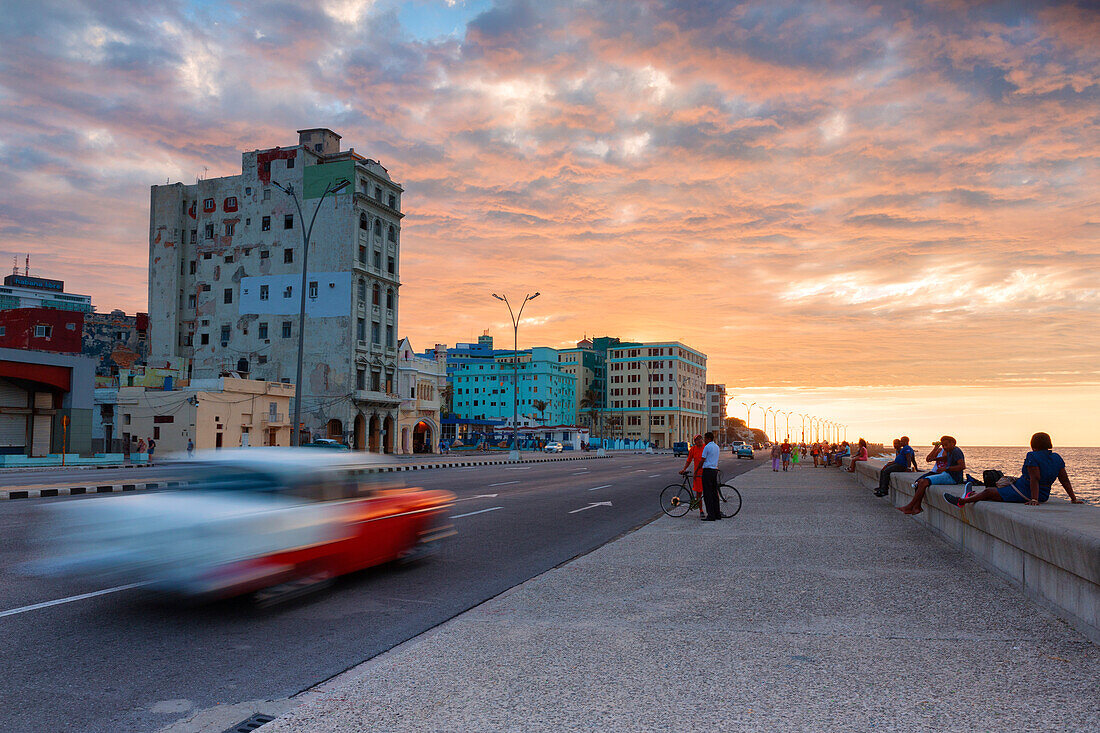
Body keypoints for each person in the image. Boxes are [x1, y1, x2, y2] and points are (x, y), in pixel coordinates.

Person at [946, 432, 1081, 508]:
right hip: (1043, 494)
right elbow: (1064, 479)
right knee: (996, 488)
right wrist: (1073, 498)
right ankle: (972, 495)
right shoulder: (1057, 457)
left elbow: (1035, 478)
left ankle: (961, 502)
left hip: (1026, 492)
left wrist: (1034, 499)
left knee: (988, 491)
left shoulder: (1032, 456)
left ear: (1033, 444)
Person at [898, 436, 964, 515]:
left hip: (953, 477)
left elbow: (962, 466)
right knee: (920, 482)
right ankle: (916, 507)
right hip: (947, 474)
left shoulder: (956, 451)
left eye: (946, 445)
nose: (944, 447)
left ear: (953, 443)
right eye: (943, 445)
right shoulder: (950, 451)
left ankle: (911, 506)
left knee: (923, 482)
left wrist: (946, 468)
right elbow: (929, 459)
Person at [679, 435, 706, 519]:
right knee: (698, 493)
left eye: (700, 439)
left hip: (706, 473)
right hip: (697, 474)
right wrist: (684, 469)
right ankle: (701, 510)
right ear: (694, 442)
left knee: (709, 492)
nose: (699, 441)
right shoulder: (693, 449)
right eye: (697, 440)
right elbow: (689, 460)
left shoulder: (706, 447)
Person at [700, 432, 722, 521]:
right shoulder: (716, 447)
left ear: (708, 438)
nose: (704, 440)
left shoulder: (707, 447)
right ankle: (717, 514)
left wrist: (698, 469)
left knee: (707, 494)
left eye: (705, 438)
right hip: (714, 471)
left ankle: (711, 515)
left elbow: (702, 460)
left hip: (707, 471)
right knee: (714, 493)